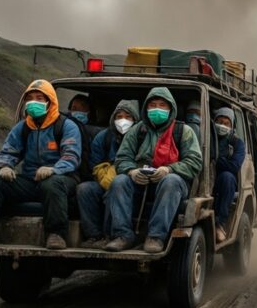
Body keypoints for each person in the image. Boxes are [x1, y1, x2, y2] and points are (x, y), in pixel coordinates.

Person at [0, 80, 81, 250]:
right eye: (31, 98)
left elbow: (71, 157)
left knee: (52, 184)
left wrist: (53, 169)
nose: (34, 102)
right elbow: (8, 151)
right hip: (30, 180)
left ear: (50, 102)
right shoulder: (23, 127)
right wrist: (4, 166)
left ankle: (56, 234)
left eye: (40, 98)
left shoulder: (66, 126)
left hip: (62, 179)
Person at [105, 88, 203, 253]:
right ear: (146, 108)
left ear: (170, 109)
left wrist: (169, 169)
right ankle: (123, 235)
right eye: (152, 105)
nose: (157, 109)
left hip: (173, 184)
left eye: (162, 105)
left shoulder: (184, 131)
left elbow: (194, 162)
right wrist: (131, 172)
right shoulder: (138, 130)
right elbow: (121, 158)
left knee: (170, 181)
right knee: (119, 181)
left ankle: (156, 237)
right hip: (140, 181)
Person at [77, 99, 139, 249]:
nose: (122, 120)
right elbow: (94, 163)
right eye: (119, 116)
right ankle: (93, 235)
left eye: (128, 117)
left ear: (135, 119)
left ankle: (111, 235)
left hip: (132, 184)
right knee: (84, 189)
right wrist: (105, 174)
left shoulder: (141, 136)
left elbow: (144, 161)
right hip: (104, 181)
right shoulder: (104, 137)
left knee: (116, 185)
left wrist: (119, 172)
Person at [211, 107, 245, 243]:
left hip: (222, 180)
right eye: (219, 121)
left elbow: (234, 166)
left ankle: (219, 224)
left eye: (226, 123)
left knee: (228, 177)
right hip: (203, 177)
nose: (222, 125)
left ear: (232, 126)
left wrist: (215, 160)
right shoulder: (208, 137)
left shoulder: (236, 142)